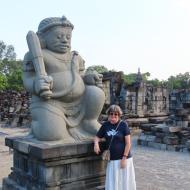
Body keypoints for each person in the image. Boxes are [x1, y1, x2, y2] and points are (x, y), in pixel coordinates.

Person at [22, 16, 105, 141]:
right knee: (52, 135)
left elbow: (79, 76)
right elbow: (27, 78)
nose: (65, 41)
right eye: (58, 37)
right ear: (42, 38)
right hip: (49, 102)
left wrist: (88, 78)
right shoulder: (36, 55)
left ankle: (89, 121)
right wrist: (36, 84)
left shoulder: (75, 57)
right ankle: (38, 125)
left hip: (79, 102)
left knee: (96, 92)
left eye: (68, 37)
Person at [94, 105, 136, 190]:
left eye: (116, 114)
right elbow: (97, 136)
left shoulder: (123, 125)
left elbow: (128, 143)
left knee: (124, 182)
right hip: (112, 160)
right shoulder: (105, 125)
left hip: (124, 159)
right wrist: (96, 144)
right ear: (108, 115)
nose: (113, 116)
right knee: (113, 182)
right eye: (111, 114)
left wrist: (124, 158)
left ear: (119, 115)